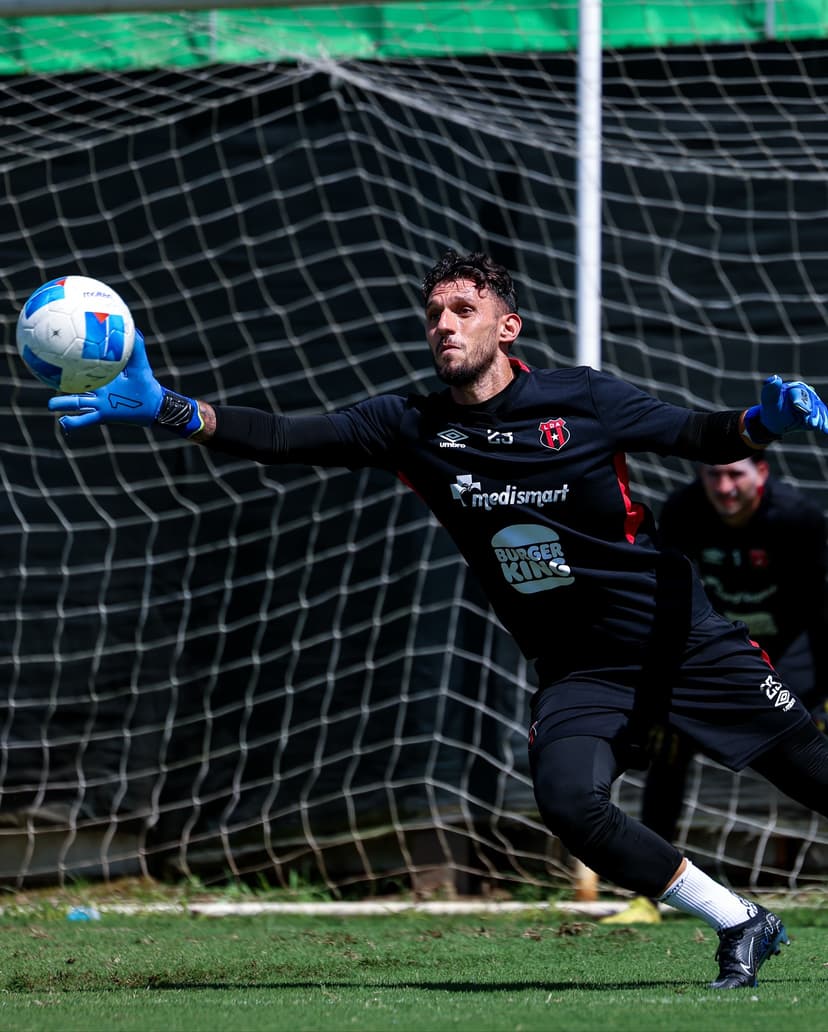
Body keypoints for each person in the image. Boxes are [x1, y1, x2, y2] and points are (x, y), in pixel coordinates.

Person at [45, 250, 828, 990]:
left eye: (463, 309)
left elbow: (696, 432)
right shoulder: (409, 427)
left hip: (677, 639)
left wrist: (763, 420)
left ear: (506, 328)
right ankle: (741, 921)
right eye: (433, 314)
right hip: (581, 670)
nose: (445, 325)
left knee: (810, 776)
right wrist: (166, 408)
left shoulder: (581, 399)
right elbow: (284, 439)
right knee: (567, 802)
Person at [601, 454, 828, 926]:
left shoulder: (799, 518)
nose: (724, 486)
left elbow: (821, 612)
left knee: (816, 771)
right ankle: (649, 897)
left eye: (735, 474)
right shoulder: (683, 511)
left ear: (762, 473)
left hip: (790, 667)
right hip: (713, 666)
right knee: (667, 754)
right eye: (714, 474)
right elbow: (669, 603)